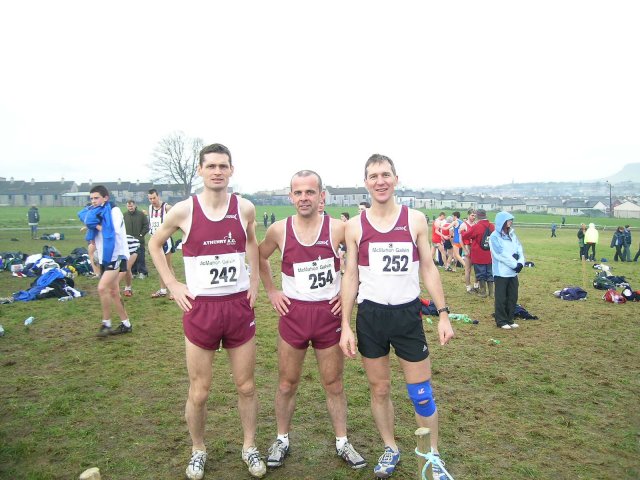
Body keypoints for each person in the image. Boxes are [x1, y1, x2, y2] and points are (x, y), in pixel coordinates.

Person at [148, 143, 266, 479]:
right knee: (199, 390)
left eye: (223, 166)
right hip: (201, 309)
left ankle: (249, 445)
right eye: (211, 166)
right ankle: (198, 449)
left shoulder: (244, 208)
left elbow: (252, 242)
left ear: (231, 170)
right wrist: (172, 284)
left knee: (246, 386)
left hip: (238, 307)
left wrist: (254, 279)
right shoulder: (184, 211)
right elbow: (154, 244)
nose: (217, 171)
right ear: (200, 170)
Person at [340, 154, 454, 480]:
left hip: (407, 315)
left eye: (386, 174)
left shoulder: (416, 220)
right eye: (374, 176)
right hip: (371, 316)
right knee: (379, 389)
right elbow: (350, 276)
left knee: (421, 392)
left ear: (396, 179)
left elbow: (429, 268)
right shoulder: (354, 226)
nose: (380, 181)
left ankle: (432, 456)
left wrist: (444, 314)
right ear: (366, 182)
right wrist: (345, 325)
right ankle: (390, 447)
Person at [258, 170, 366, 471]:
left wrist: (348, 293)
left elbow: (359, 263)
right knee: (286, 383)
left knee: (333, 383)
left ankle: (343, 442)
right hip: (293, 315)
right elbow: (259, 256)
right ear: (290, 196)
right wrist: (271, 291)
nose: (304, 198)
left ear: (322, 196)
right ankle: (281, 439)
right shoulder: (279, 230)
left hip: (327, 316)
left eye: (310, 192)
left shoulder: (338, 228)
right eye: (298, 193)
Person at [78, 186, 132, 336]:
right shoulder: (96, 211)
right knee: (114, 291)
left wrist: (93, 224)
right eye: (91, 198)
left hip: (116, 255)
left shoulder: (114, 211)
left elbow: (111, 231)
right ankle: (126, 324)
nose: (93, 201)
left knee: (102, 288)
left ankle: (106, 324)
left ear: (106, 198)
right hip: (104, 256)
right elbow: (92, 224)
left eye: (96, 198)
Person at [490, 212, 525, 330]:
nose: (510, 222)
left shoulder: (512, 234)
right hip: (501, 272)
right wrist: (515, 264)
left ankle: (510, 318)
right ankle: (501, 320)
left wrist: (521, 262)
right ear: (502, 222)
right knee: (501, 297)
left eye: (511, 220)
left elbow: (519, 248)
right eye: (508, 220)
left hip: (513, 273)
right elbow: (500, 254)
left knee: (512, 296)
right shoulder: (494, 236)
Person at [148, 189, 176, 298]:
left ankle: (173, 291)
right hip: (155, 240)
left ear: (158, 196)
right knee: (160, 266)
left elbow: (177, 215)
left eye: (154, 198)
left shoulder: (166, 207)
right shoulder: (150, 208)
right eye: (150, 198)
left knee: (168, 266)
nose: (152, 200)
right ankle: (163, 290)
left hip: (166, 240)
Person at [461, 209, 495, 298]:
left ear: (478, 216)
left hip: (478, 254)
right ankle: (492, 293)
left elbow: (466, 235)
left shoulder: (477, 226)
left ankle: (483, 292)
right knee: (490, 273)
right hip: (489, 254)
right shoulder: (492, 226)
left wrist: (462, 231)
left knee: (480, 273)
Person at [123, 200, 150, 283]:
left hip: (139, 240)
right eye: (129, 206)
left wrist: (141, 234)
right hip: (128, 241)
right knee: (130, 257)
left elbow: (146, 225)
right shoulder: (124, 215)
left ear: (135, 206)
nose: (130, 208)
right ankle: (133, 272)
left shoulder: (141, 215)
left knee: (140, 257)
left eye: (131, 206)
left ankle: (142, 272)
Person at [459, 209, 477, 293]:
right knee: (468, 269)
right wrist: (465, 250)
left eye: (475, 215)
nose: (474, 217)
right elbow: (460, 240)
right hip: (467, 247)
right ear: (468, 215)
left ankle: (476, 285)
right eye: (472, 215)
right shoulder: (463, 225)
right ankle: (468, 287)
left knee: (477, 268)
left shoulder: (476, 224)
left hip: (475, 247)